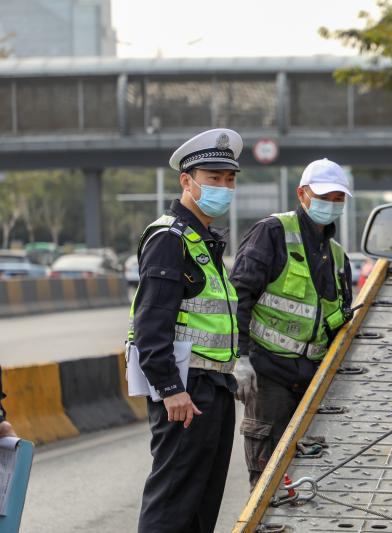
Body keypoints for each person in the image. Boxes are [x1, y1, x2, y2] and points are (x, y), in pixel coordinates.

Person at [132, 128, 241, 533]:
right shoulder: (169, 238)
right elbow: (151, 323)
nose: (224, 187)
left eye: (230, 179)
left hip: (213, 387)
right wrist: (170, 388)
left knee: (201, 503)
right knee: (173, 503)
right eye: (214, 178)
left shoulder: (203, 240)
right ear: (187, 181)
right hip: (186, 390)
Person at [231, 158, 354, 489]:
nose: (332, 205)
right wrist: (239, 358)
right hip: (268, 375)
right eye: (325, 196)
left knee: (312, 478)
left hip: (311, 381)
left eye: (338, 198)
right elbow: (238, 297)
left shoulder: (338, 256)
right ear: (302, 194)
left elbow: (337, 319)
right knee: (269, 481)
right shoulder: (271, 233)